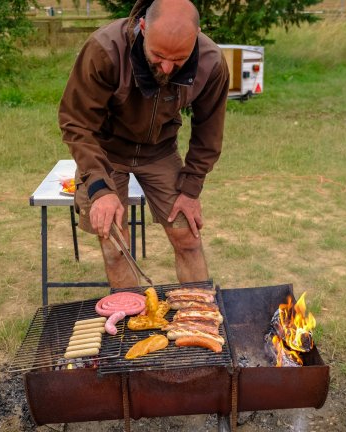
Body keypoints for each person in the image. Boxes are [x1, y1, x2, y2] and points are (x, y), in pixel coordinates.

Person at [58, 0, 229, 288]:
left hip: (159, 152)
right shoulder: (105, 49)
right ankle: (131, 326)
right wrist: (99, 187)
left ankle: (199, 322)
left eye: (179, 59)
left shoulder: (211, 62)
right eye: (159, 55)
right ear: (143, 27)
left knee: (187, 236)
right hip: (106, 152)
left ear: (196, 35)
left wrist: (191, 188)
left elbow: (209, 132)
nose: (166, 67)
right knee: (115, 243)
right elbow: (76, 122)